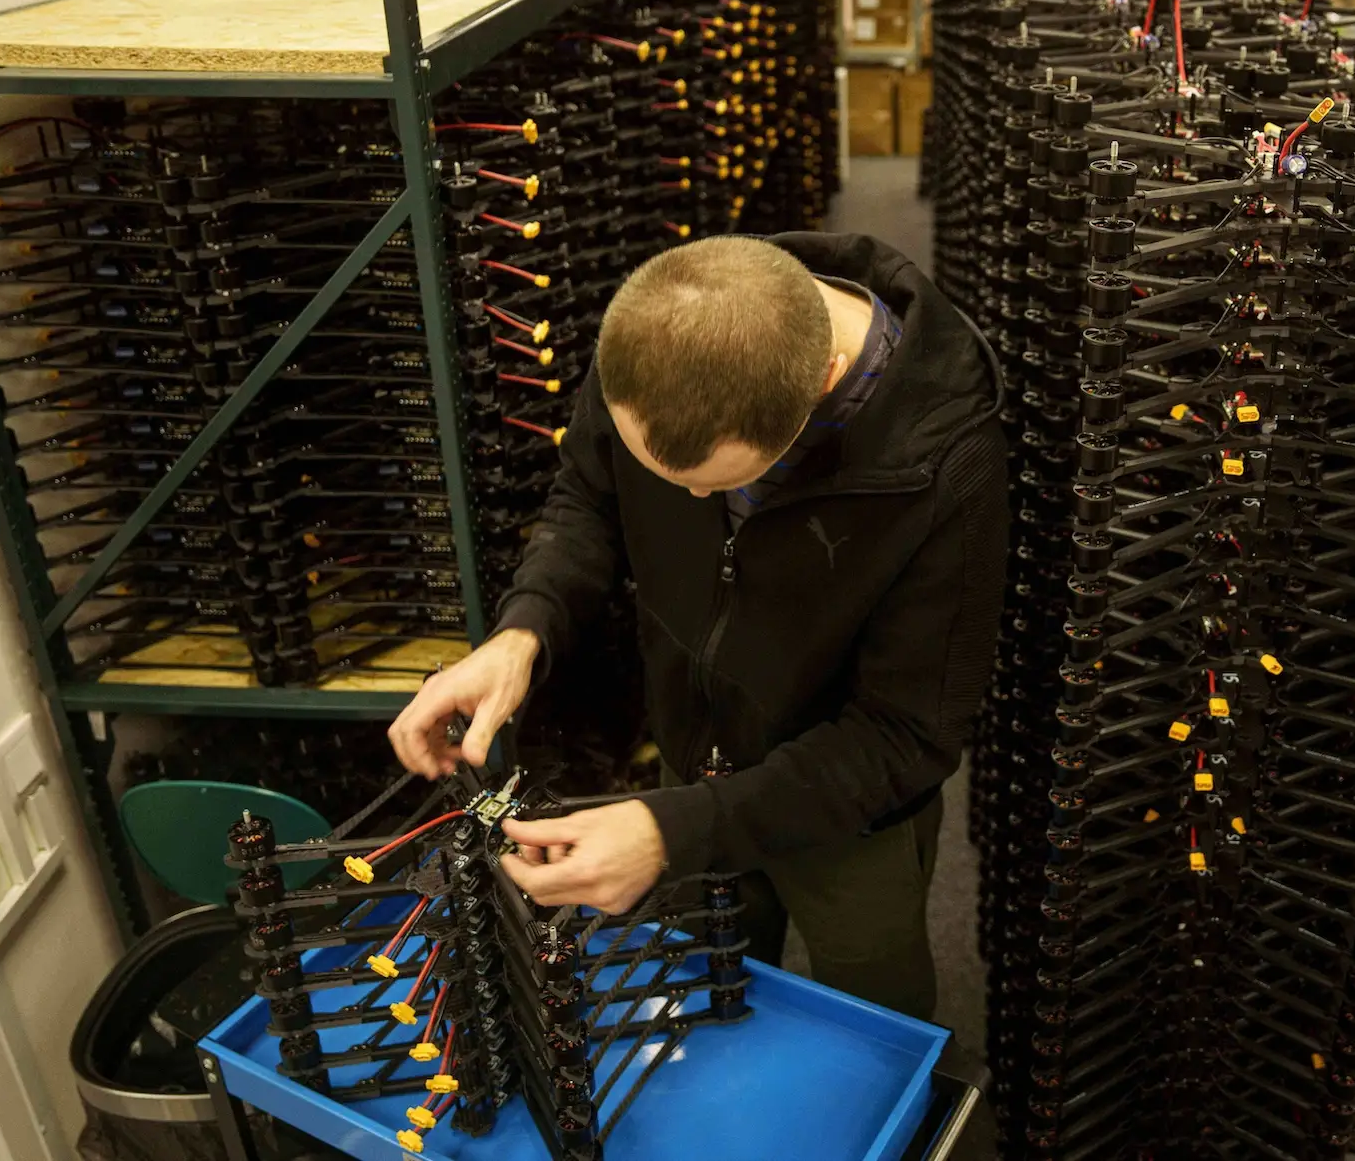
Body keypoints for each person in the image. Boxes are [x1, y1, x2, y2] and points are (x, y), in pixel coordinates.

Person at [387, 233, 1008, 1019]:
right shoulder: (650, 339)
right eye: (662, 478)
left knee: (873, 1019)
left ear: (816, 387)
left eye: (712, 484)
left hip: (849, 812)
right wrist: (525, 630)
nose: (685, 505)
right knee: (703, 1003)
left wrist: (671, 833)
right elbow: (588, 496)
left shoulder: (951, 465)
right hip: (692, 758)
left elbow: (905, 734)